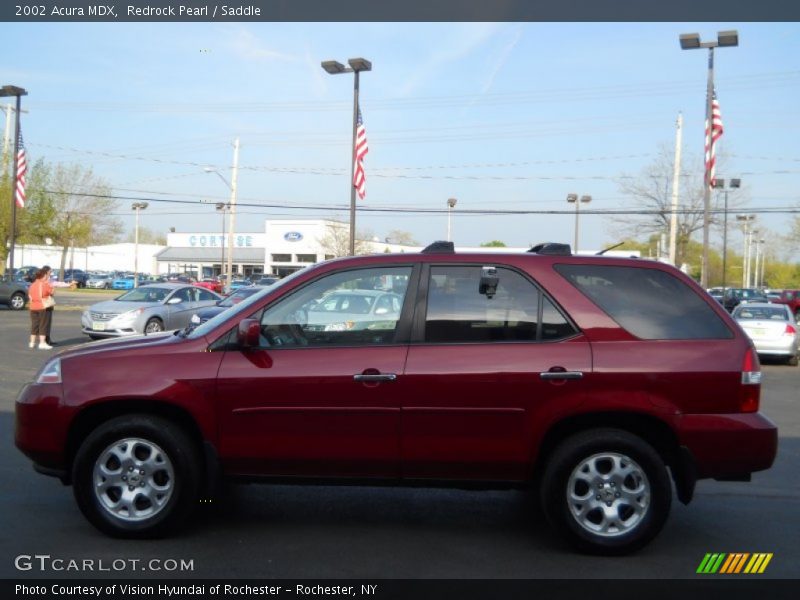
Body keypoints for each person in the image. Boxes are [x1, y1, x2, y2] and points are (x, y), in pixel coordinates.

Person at [28, 266, 55, 350]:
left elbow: (30, 295)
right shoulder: (44, 285)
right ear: (43, 276)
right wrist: (53, 288)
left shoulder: (32, 285)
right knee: (43, 325)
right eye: (46, 276)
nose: (47, 277)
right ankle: (42, 343)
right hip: (43, 307)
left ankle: (32, 342)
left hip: (33, 307)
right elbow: (51, 292)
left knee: (34, 325)